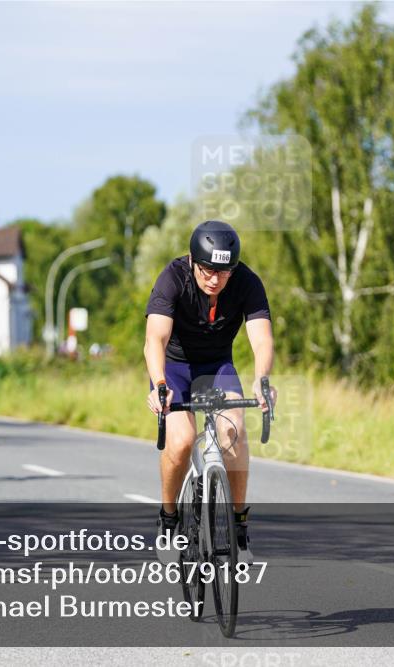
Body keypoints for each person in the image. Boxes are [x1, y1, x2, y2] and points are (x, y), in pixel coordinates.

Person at [144, 220, 277, 565]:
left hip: (217, 367)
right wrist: (159, 384)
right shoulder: (172, 279)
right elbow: (154, 340)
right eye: (207, 270)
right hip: (174, 368)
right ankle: (169, 518)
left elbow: (262, 339)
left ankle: (238, 526)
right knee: (182, 440)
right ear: (192, 261)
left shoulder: (247, 282)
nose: (215, 280)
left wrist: (262, 380)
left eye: (223, 272)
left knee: (234, 431)